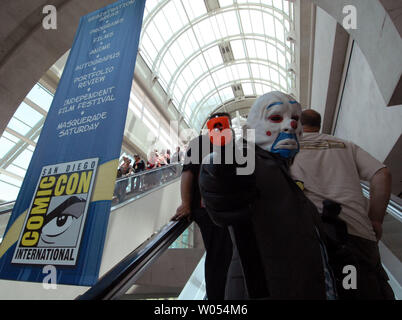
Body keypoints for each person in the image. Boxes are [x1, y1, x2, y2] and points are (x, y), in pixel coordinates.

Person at [199, 91, 337, 299]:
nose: (290, 125)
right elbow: (220, 174)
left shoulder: (283, 173)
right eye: (275, 118)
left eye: (295, 119)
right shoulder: (251, 160)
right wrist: (217, 170)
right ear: (249, 131)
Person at [290, 109, 395, 300]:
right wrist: (376, 220)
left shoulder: (289, 146)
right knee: (368, 290)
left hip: (312, 234)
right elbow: (382, 174)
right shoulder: (345, 145)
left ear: (297, 124)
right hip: (358, 234)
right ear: (319, 125)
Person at [171, 113, 234, 300]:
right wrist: (186, 204)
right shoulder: (202, 143)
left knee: (222, 255)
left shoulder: (229, 144)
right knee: (219, 256)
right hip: (209, 210)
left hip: (222, 210)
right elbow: (188, 173)